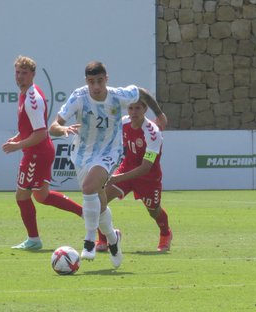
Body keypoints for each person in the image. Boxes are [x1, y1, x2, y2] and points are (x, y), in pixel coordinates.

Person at [49, 61, 167, 269]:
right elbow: (54, 126)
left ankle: (89, 240)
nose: (96, 86)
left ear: (107, 79)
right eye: (92, 82)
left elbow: (143, 92)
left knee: (89, 188)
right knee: (99, 202)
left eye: (100, 81)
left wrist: (159, 114)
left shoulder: (117, 95)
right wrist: (63, 129)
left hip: (110, 152)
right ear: (86, 81)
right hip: (82, 153)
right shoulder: (79, 97)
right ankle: (113, 240)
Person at [2, 56, 83, 250]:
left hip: (36, 154)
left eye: (24, 73)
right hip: (37, 152)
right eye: (17, 72)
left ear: (33, 75)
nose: (20, 76)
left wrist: (17, 145)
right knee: (41, 196)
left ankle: (34, 240)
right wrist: (17, 138)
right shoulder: (25, 93)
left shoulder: (32, 99)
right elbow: (31, 129)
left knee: (22, 196)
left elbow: (40, 133)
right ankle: (86, 213)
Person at [94, 100, 173, 253]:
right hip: (126, 168)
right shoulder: (123, 123)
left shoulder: (152, 133)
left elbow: (145, 167)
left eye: (138, 108)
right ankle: (104, 239)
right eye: (131, 108)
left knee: (153, 210)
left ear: (145, 109)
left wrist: (116, 178)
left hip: (148, 177)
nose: (134, 112)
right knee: (98, 201)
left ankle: (166, 234)